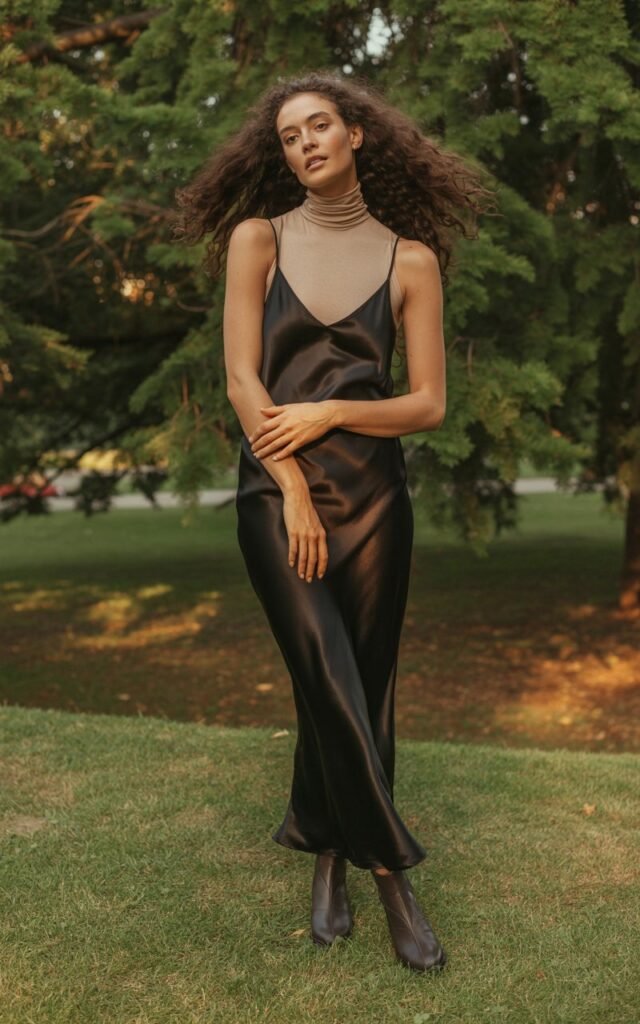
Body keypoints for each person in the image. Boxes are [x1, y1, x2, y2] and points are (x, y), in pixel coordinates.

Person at [174, 70, 494, 973]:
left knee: (363, 681)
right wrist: (293, 484)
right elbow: (244, 380)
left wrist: (331, 414)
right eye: (287, 135)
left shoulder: (412, 261)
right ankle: (392, 869)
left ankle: (324, 854)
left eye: (319, 126)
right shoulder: (257, 239)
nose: (304, 142)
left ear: (358, 134)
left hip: (377, 502)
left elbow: (427, 403)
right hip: (278, 496)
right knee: (323, 665)